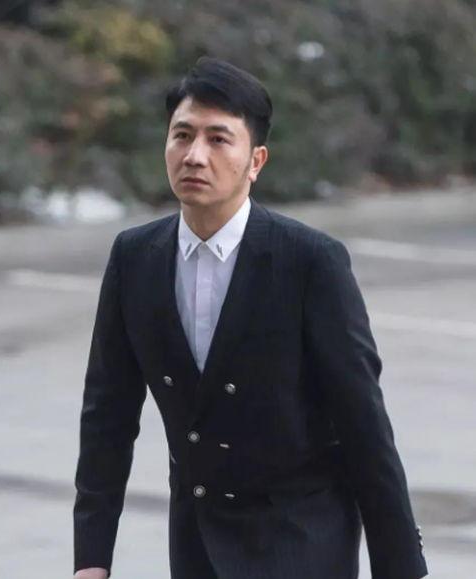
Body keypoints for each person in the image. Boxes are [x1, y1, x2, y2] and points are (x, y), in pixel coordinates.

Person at [73, 56, 428, 579]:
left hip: (301, 541)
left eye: (218, 139)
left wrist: (401, 567)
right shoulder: (135, 257)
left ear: (256, 160)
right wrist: (91, 559)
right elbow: (108, 414)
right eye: (182, 135)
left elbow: (364, 423)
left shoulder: (310, 261)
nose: (195, 155)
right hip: (196, 543)